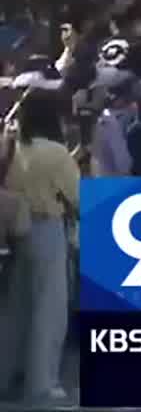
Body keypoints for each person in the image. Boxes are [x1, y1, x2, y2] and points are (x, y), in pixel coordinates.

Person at [0, 89, 80, 406]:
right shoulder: (56, 152)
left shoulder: (14, 146)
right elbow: (77, 196)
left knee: (17, 306)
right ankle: (41, 385)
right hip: (47, 228)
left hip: (17, 229)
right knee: (49, 307)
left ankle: (7, 374)